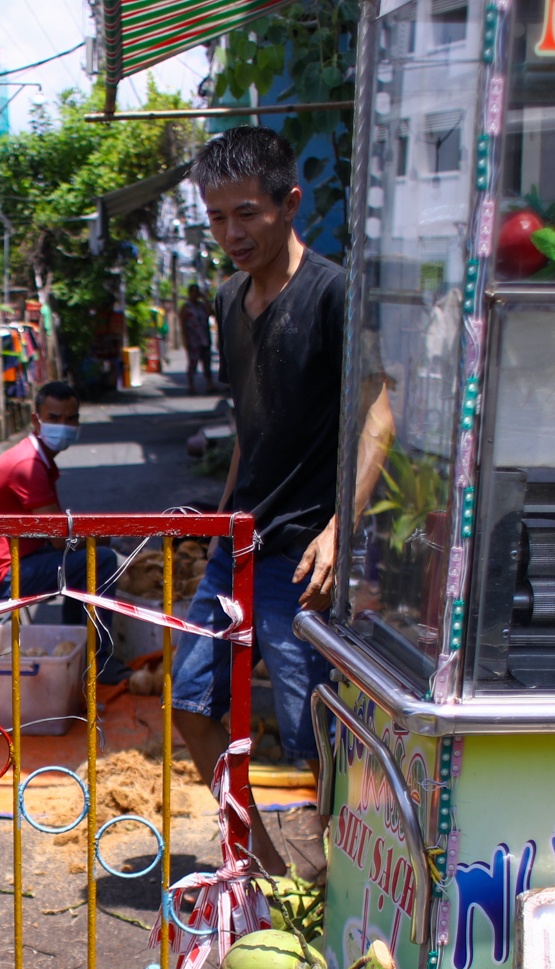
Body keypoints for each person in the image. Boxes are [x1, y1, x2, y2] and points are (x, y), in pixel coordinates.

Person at [170, 127, 389, 884]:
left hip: (303, 554)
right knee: (192, 701)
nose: (232, 233)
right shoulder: (230, 299)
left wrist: (341, 529)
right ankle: (265, 871)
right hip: (239, 546)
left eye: (249, 214)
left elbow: (378, 415)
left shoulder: (332, 292)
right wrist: (220, 523)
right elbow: (249, 425)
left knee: (313, 739)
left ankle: (341, 889)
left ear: (291, 203)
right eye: (218, 217)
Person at [0, 381, 126, 678]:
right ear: (36, 420)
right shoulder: (28, 464)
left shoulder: (37, 457)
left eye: (71, 418)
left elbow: (57, 528)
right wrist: (107, 538)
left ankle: (75, 650)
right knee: (102, 559)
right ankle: (98, 660)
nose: (64, 426)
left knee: (86, 559)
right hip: (4, 573)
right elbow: (59, 540)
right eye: (54, 418)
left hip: (21, 558)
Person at [179, 283, 215, 394]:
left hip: (204, 339)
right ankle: (191, 385)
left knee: (207, 363)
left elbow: (211, 313)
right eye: (193, 292)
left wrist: (205, 299)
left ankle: (210, 384)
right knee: (193, 363)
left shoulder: (202, 306)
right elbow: (183, 324)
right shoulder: (186, 307)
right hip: (193, 339)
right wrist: (185, 340)